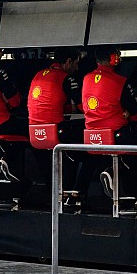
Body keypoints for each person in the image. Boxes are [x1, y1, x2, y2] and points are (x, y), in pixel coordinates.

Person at [82, 46, 137, 217]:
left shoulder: (86, 78)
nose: (119, 58)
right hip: (117, 136)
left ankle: (110, 179)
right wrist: (125, 115)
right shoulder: (120, 81)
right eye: (117, 55)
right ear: (112, 58)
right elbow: (134, 114)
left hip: (92, 137)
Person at [28, 47, 83, 185]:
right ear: (68, 62)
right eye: (76, 63)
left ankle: (51, 186)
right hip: (56, 132)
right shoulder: (66, 78)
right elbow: (84, 107)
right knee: (85, 147)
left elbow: (48, 102)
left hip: (34, 132)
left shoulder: (38, 75)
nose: (76, 68)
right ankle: (72, 190)